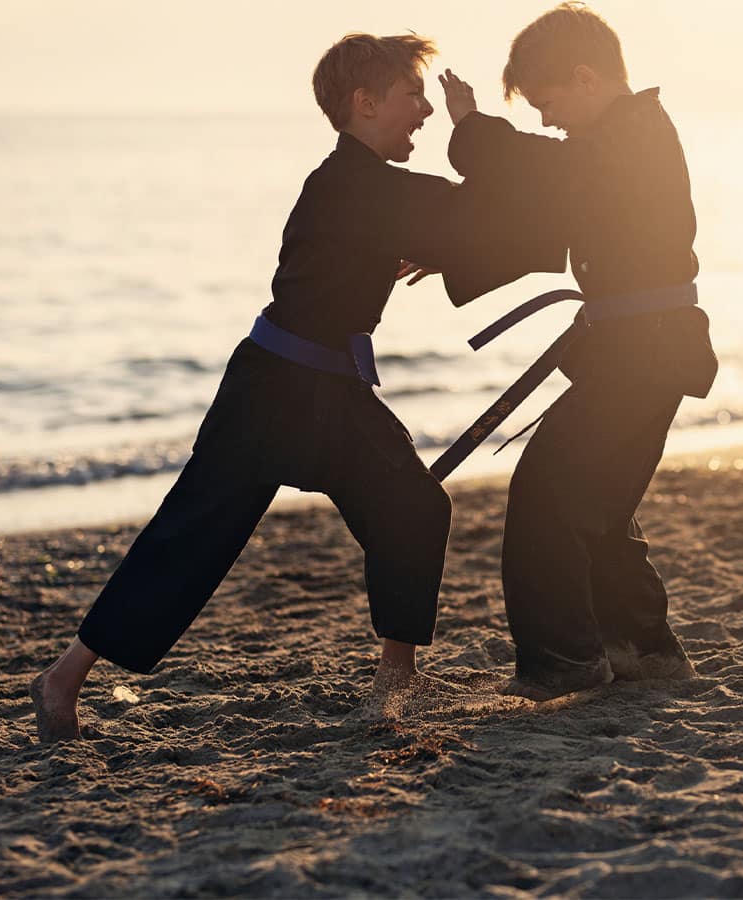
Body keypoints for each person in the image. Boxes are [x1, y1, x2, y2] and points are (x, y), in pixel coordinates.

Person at [30, 32, 560, 743]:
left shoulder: (369, 189)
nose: (426, 113)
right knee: (193, 535)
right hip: (273, 390)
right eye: (414, 97)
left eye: (433, 104)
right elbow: (489, 213)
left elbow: (472, 226)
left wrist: (449, 246)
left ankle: (396, 682)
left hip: (330, 391)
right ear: (364, 104)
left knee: (412, 508)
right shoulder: (359, 186)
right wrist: (472, 128)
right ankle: (62, 679)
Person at [435, 2, 719, 701]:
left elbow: (543, 171)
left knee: (545, 496)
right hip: (638, 351)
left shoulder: (631, 137)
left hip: (644, 353)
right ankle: (646, 651)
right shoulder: (614, 144)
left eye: (548, 101)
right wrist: (447, 245)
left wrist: (472, 130)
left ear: (588, 78)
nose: (546, 118)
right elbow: (554, 217)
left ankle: (562, 661)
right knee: (598, 506)